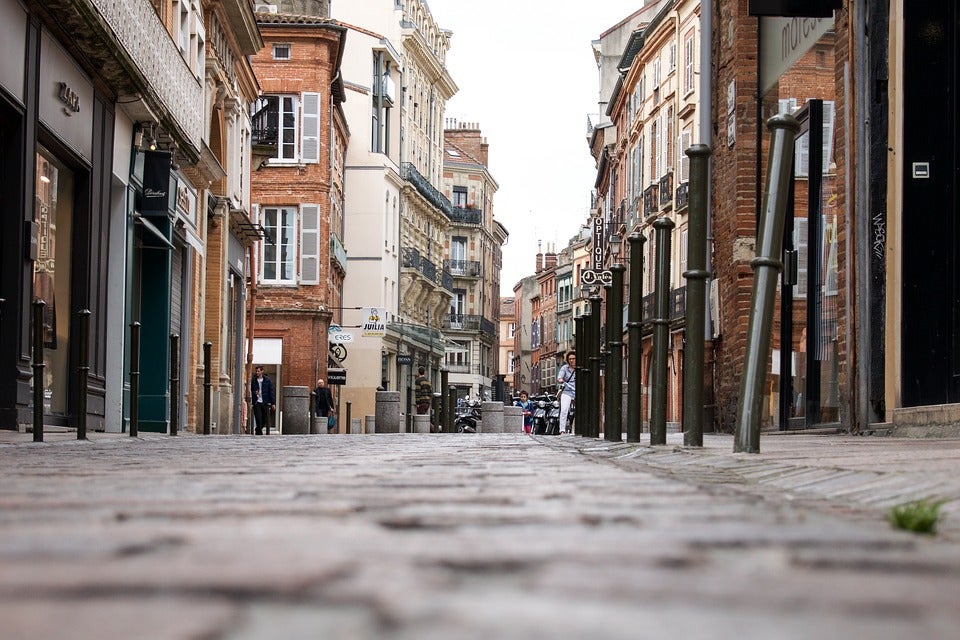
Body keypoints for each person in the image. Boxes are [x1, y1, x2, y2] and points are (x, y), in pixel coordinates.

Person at [250, 365, 275, 435]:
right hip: (257, 402)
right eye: (256, 371)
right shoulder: (254, 380)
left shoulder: (267, 380)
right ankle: (259, 433)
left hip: (265, 402)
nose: (257, 373)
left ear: (262, 371)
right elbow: (251, 390)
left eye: (258, 371)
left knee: (264, 419)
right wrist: (255, 392)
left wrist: (273, 403)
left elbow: (271, 391)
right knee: (258, 417)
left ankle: (258, 429)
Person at [557, 351, 576, 434]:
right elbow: (560, 376)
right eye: (570, 359)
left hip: (577, 391)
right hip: (567, 391)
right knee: (564, 410)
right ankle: (562, 430)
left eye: (573, 359)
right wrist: (560, 379)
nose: (571, 360)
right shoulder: (565, 368)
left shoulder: (579, 367)